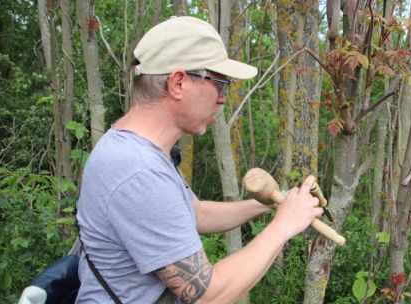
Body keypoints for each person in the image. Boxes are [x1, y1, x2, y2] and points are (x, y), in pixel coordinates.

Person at [75, 16, 323, 304]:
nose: (222, 98)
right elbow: (207, 296)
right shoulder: (138, 169)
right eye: (219, 83)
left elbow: (197, 213)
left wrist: (268, 203)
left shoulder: (140, 151)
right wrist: (284, 225)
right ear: (178, 83)